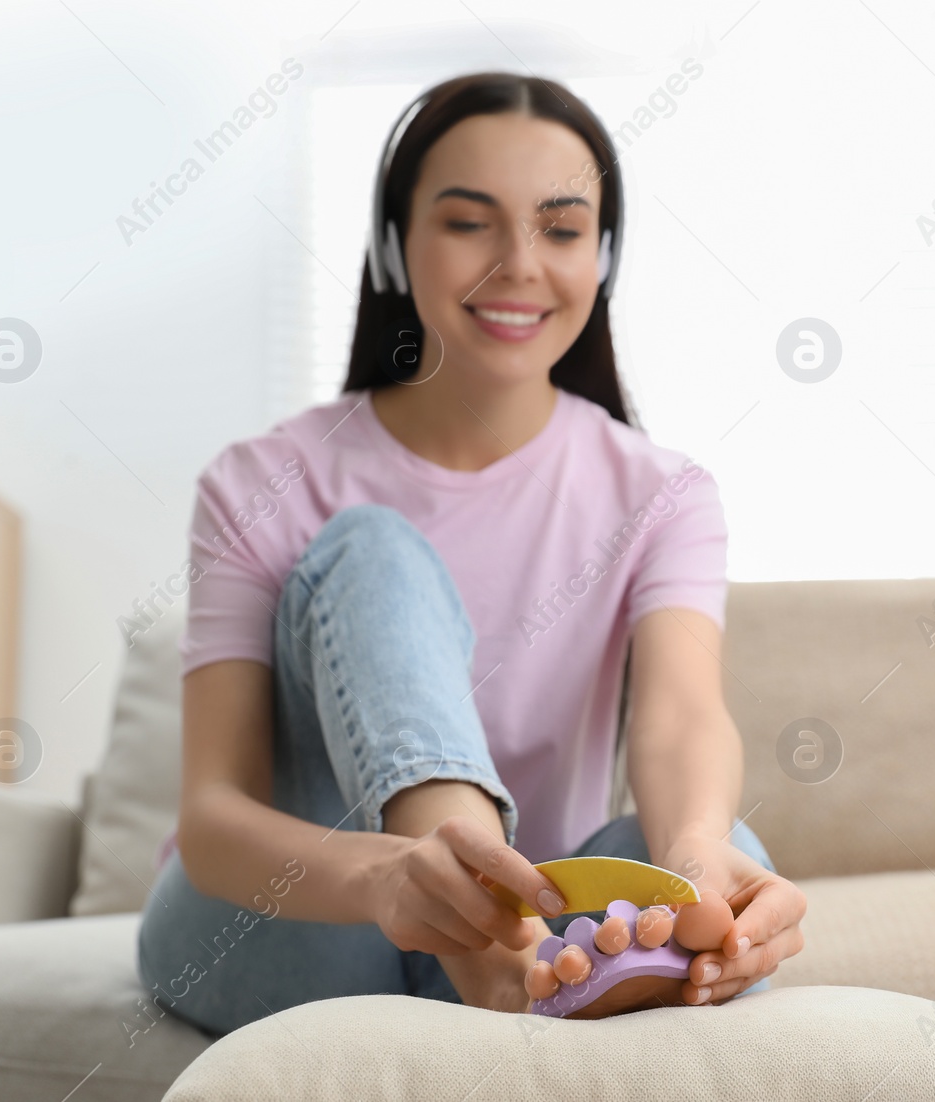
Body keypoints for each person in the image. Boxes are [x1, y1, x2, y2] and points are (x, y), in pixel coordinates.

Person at [134, 70, 807, 1038]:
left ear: (602, 257)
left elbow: (678, 720)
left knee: (715, 852)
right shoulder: (260, 480)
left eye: (562, 228)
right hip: (293, 922)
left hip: (535, 930)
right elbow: (212, 818)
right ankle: (485, 940)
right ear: (393, 245)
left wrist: (700, 856)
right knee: (372, 549)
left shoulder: (662, 495)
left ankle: (514, 959)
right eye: (467, 222)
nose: (518, 263)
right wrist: (392, 880)